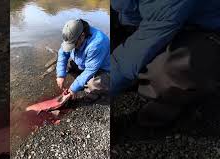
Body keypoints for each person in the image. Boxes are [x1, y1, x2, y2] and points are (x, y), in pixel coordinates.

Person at [111, 0, 220, 132]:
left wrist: (105, 83)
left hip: (204, 30)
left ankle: (172, 96)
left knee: (169, 67)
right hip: (159, 19)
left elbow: (134, 54)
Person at [56, 19, 110, 102]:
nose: (72, 47)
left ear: (82, 36)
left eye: (73, 44)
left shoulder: (97, 44)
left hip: (105, 68)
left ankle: (96, 92)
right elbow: (63, 53)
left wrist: (72, 89)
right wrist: (60, 75)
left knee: (93, 84)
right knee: (68, 67)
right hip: (86, 62)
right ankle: (82, 82)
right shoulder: (71, 35)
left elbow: (90, 70)